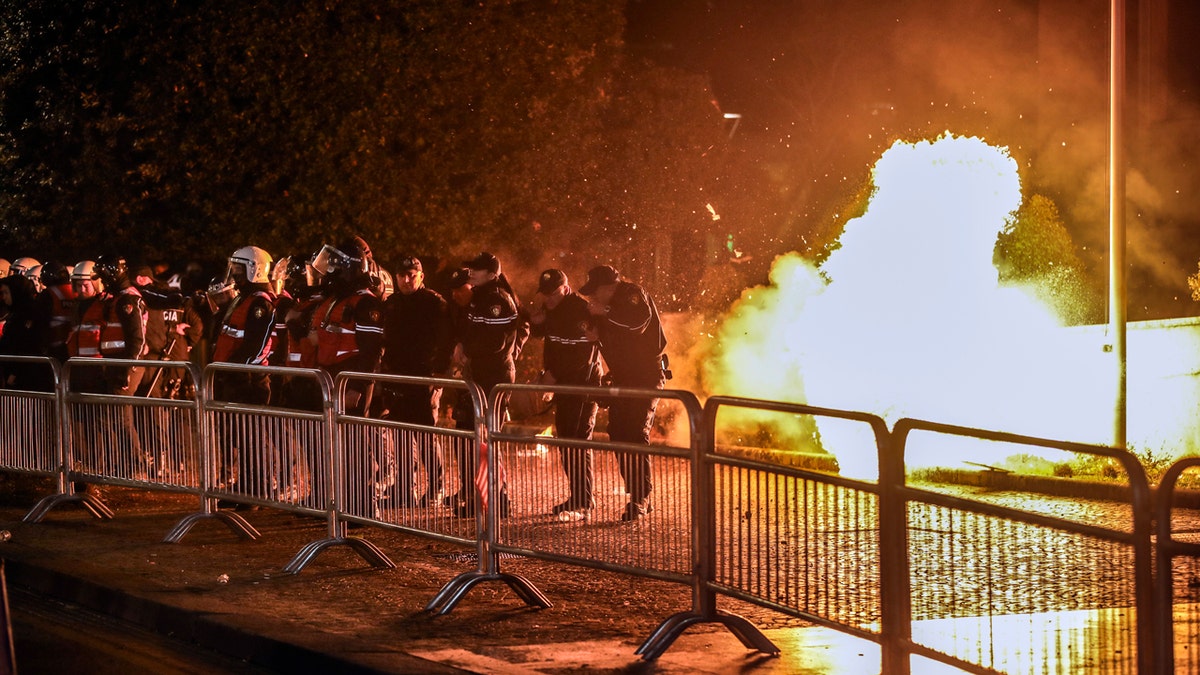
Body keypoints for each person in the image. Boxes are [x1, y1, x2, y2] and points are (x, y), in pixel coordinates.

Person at [577, 264, 668, 521]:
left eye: (596, 292)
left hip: (645, 375)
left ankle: (641, 498)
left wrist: (605, 311)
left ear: (609, 288)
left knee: (635, 432)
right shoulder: (603, 308)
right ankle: (636, 494)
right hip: (622, 375)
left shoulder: (632, 295)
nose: (592, 298)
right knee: (618, 431)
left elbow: (637, 323)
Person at [452, 252, 529, 517]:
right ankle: (481, 496)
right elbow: (472, 331)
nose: (471, 272)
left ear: (492, 273)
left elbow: (494, 344)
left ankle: (499, 498)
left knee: (488, 439)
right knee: (473, 438)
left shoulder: (497, 299)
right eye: (471, 268)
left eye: (478, 269)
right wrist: (462, 344)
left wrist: (468, 350)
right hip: (480, 375)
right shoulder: (482, 296)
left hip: (493, 377)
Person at [379, 255, 453, 507]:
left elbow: (446, 340)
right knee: (400, 434)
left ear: (421, 276)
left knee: (425, 434)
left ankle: (436, 486)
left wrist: (440, 372)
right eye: (402, 275)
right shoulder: (392, 303)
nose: (407, 279)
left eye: (412, 274)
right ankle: (403, 488)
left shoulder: (433, 303)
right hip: (397, 376)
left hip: (425, 377)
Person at [529, 268, 602, 521]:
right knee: (567, 440)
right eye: (545, 294)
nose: (548, 298)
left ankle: (584, 501)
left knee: (576, 440)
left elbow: (581, 354)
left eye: (553, 293)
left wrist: (553, 376)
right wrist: (537, 325)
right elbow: (551, 339)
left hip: (582, 385)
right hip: (564, 384)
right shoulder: (552, 309)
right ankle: (578, 497)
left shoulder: (581, 309)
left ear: (565, 287)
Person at [209, 246, 278, 495]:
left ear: (254, 269)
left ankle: (257, 489)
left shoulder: (260, 303)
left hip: (250, 380)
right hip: (234, 377)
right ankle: (246, 486)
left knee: (252, 440)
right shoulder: (243, 299)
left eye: (239, 269)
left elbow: (255, 345)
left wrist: (235, 368)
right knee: (241, 437)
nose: (235, 274)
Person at [133, 265, 203, 399]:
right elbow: (197, 327)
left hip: (164, 353)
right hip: (172, 353)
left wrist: (187, 341)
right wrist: (187, 341)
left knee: (163, 394)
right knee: (172, 396)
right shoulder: (175, 302)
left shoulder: (153, 301)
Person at [33, 260, 78, 364]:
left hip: (54, 346)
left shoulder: (48, 294)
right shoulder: (74, 291)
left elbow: (40, 321)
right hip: (73, 345)